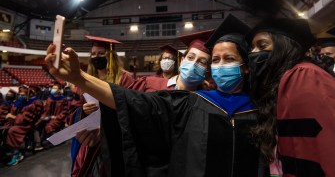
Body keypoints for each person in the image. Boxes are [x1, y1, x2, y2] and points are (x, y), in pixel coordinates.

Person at [46, 14, 268, 176]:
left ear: (246, 66)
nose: (220, 66)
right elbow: (134, 102)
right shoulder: (193, 103)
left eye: (228, 60)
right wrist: (79, 77)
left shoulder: (262, 109)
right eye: (216, 60)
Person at [246, 17, 335, 176]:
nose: (253, 53)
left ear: (284, 47)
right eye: (252, 47)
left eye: (262, 45)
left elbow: (319, 151)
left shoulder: (304, 76)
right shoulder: (281, 82)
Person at [71, 35, 134, 177]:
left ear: (110, 55)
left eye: (101, 53)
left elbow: (132, 106)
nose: (96, 57)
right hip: (92, 137)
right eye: (93, 54)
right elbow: (77, 106)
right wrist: (83, 110)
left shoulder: (125, 78)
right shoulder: (86, 79)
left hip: (116, 138)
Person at [129, 30, 214, 92]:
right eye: (190, 57)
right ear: (181, 61)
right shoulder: (149, 84)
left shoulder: (207, 99)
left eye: (202, 62)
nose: (193, 64)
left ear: (207, 69)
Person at [5, 85, 43, 166]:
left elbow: (26, 119)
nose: (20, 96)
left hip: (26, 125)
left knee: (12, 131)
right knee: (5, 129)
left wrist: (13, 117)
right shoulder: (18, 103)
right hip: (17, 123)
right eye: (19, 94)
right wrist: (11, 114)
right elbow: (12, 113)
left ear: (27, 95)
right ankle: (9, 150)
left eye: (23, 95)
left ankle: (16, 154)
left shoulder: (30, 105)